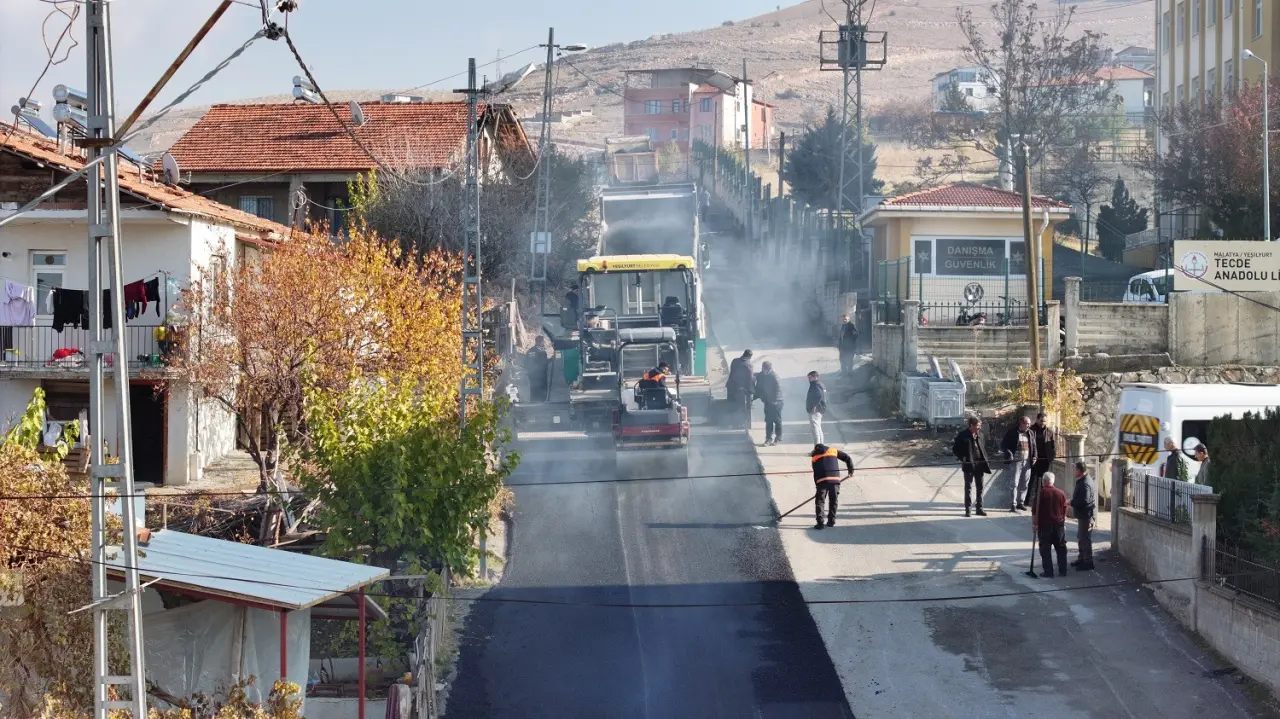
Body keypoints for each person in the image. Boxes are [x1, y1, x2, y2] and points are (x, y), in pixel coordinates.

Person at [1032, 472, 1070, 578]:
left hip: (1045, 526)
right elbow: (1065, 508)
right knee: (1061, 548)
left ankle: (1048, 572)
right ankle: (1063, 570)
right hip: (1059, 526)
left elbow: (1034, 511)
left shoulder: (1041, 493)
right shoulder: (1061, 493)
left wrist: (1034, 524)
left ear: (1044, 481)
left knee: (1045, 549)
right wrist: (1063, 519)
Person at [952, 416, 991, 517]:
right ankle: (968, 510)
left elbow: (983, 449)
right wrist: (963, 458)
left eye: (980, 426)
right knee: (968, 488)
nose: (979, 428)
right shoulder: (962, 435)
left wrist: (986, 460)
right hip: (969, 465)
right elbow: (955, 449)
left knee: (980, 487)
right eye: (978, 426)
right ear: (971, 425)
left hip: (979, 464)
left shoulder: (981, 435)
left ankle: (979, 508)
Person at [810, 443, 854, 529]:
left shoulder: (814, 457)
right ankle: (831, 521)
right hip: (835, 480)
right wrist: (851, 471)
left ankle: (820, 523)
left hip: (822, 481)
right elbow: (847, 458)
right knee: (833, 500)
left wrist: (817, 486)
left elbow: (815, 473)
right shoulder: (833, 451)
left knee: (820, 502)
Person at [1000, 415, 1038, 512]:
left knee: (1025, 483)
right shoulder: (1012, 432)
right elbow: (1003, 445)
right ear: (1021, 423)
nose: (1028, 426)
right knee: (1014, 483)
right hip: (1016, 462)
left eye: (1029, 424)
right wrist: (1009, 453)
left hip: (1027, 462)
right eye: (1027, 424)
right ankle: (1013, 504)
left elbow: (1034, 446)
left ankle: (1021, 502)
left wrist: (1035, 456)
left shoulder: (1030, 433)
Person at [1069, 461, 1096, 571]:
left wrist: (1071, 502)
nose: (1073, 471)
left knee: (1084, 538)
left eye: (1075, 469)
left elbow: (1084, 501)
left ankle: (1088, 562)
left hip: (1086, 515)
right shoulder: (1083, 480)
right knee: (1081, 537)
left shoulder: (1085, 483)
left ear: (1079, 470)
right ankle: (1082, 558)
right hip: (1083, 514)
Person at [753, 361, 784, 446]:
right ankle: (768, 439)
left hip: (777, 401)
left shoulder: (774, 376)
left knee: (777, 420)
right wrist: (753, 375)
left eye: (763, 368)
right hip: (768, 401)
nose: (762, 370)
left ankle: (778, 437)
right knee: (768, 420)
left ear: (767, 368)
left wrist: (775, 401)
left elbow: (778, 389)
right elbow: (758, 375)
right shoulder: (763, 374)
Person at [1029, 412, 1057, 504]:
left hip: (1045, 460)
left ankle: (1040, 500)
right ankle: (1026, 500)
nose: (1043, 423)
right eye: (1041, 421)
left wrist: (1051, 457)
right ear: (1037, 419)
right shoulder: (1031, 430)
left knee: (1042, 481)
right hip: (1033, 459)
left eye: (1044, 421)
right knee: (1030, 480)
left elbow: (1053, 445)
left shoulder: (1049, 431)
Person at [727, 350, 756, 430]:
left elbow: (733, 373)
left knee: (732, 406)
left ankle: (732, 423)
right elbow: (750, 378)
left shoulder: (735, 361)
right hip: (740, 390)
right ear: (750, 357)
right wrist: (751, 390)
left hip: (731, 388)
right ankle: (739, 424)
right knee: (740, 408)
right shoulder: (749, 365)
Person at [524, 336, 551, 402]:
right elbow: (542, 362)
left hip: (537, 375)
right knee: (538, 390)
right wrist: (550, 360)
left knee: (537, 389)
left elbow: (526, 362)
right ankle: (538, 403)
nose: (543, 343)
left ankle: (537, 402)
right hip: (538, 375)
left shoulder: (535, 350)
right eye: (543, 341)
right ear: (540, 342)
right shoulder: (536, 351)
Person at [805, 371, 828, 445]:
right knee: (818, 428)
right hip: (820, 409)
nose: (809, 380)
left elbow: (819, 395)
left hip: (815, 410)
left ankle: (817, 448)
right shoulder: (820, 384)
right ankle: (821, 446)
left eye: (810, 378)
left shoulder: (815, 385)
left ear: (815, 377)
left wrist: (814, 406)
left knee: (815, 430)